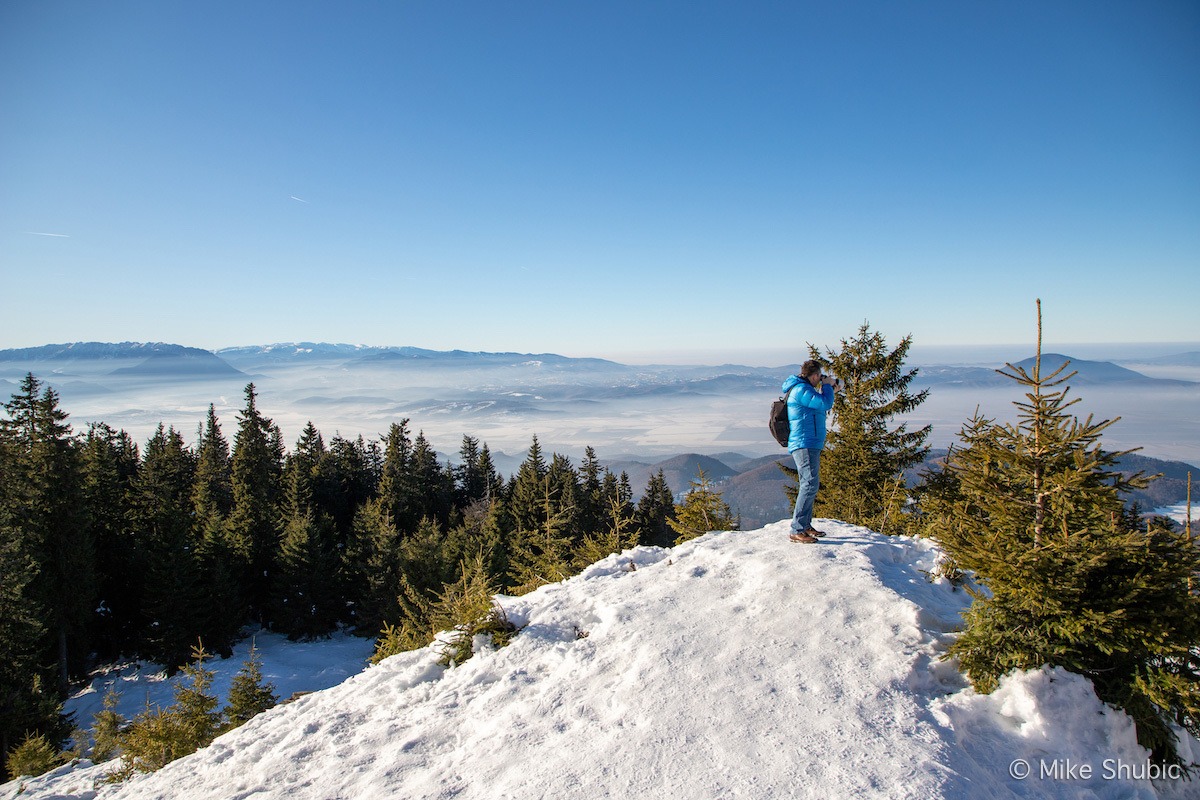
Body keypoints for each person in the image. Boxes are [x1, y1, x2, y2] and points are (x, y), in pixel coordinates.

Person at [783, 359, 838, 544]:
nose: (820, 380)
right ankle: (796, 529)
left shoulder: (805, 390)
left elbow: (817, 408)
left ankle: (805, 526)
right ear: (814, 375)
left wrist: (829, 389)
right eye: (819, 376)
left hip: (809, 442)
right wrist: (828, 387)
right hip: (804, 443)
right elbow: (825, 404)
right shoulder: (801, 390)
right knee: (809, 484)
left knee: (811, 484)